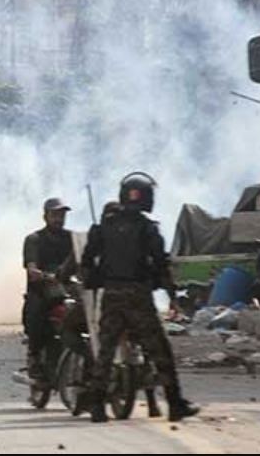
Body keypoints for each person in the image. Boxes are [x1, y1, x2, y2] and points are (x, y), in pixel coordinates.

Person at [77, 173, 199, 423]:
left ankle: (98, 406)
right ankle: (175, 403)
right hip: (138, 297)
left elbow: (87, 261)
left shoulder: (104, 227)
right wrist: (171, 294)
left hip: (112, 294)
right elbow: (161, 265)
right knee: (160, 350)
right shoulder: (147, 228)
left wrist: (96, 281)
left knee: (106, 351)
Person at [22, 198, 76, 381]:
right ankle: (35, 356)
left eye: (62, 215)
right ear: (45, 216)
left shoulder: (72, 239)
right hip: (43, 291)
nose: (59, 218)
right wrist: (39, 274)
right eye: (55, 214)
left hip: (69, 290)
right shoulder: (34, 240)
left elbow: (83, 261)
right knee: (36, 312)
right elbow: (31, 266)